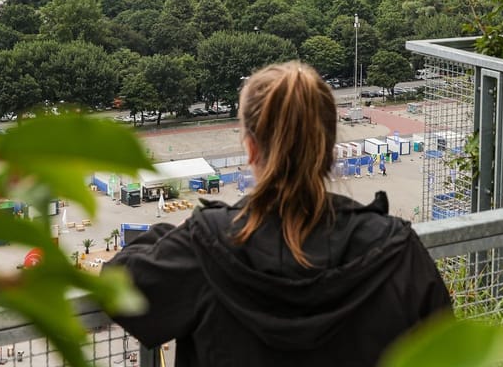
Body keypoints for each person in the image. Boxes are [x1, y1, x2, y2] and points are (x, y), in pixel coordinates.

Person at [106, 61, 450, 366]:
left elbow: (117, 286)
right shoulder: (397, 251)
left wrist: (182, 231)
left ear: (251, 148)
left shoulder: (207, 248)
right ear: (328, 149)